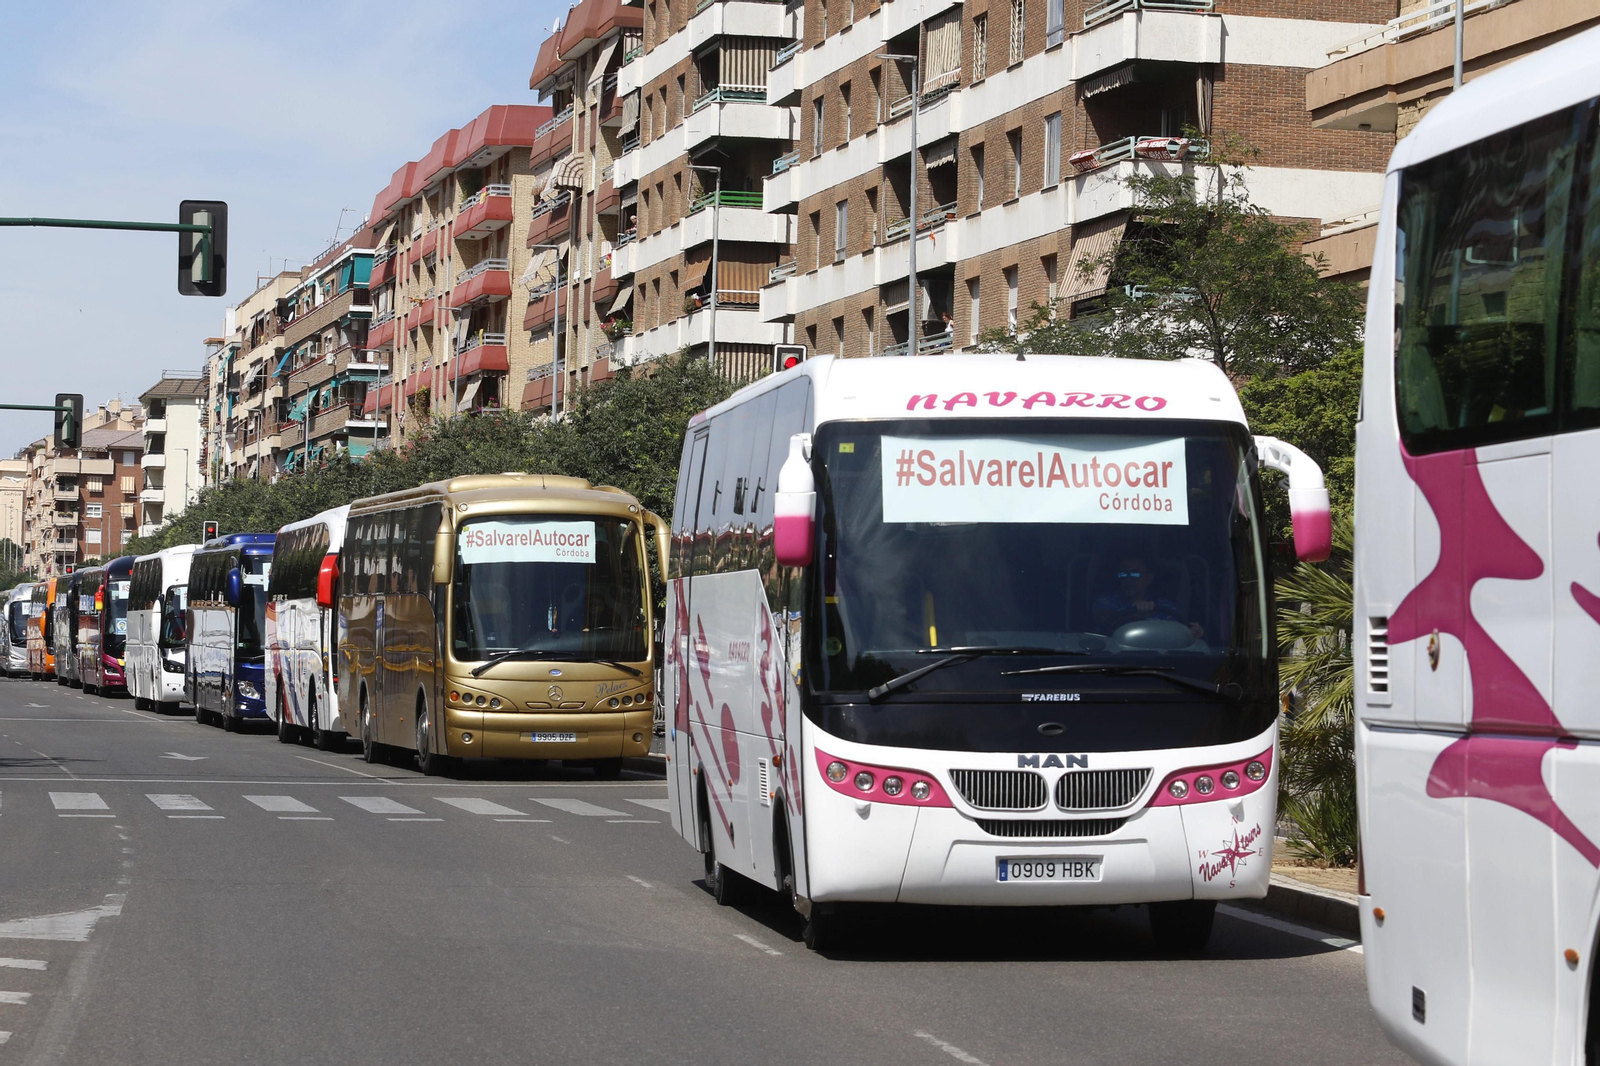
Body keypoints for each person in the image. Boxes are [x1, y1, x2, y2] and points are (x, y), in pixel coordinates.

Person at [1092, 555, 1204, 639]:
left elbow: (1177, 634)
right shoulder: (1106, 602)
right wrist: (1132, 615)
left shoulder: (1164, 606)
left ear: (1148, 578)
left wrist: (1192, 634)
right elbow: (1103, 623)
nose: (1128, 579)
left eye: (1135, 574)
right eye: (1124, 574)